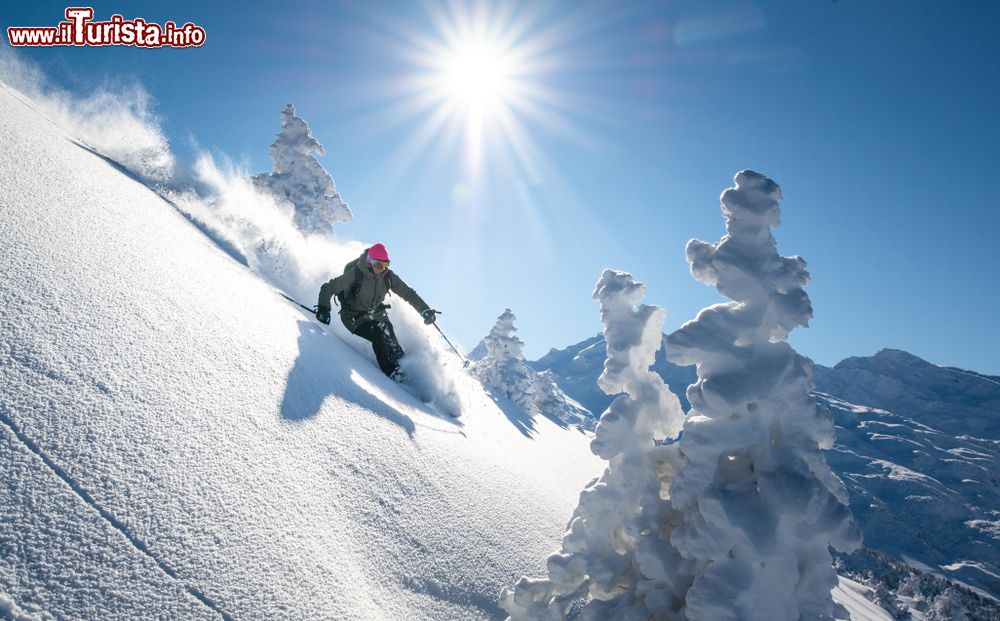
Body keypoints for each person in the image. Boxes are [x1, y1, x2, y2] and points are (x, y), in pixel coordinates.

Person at [315, 243, 437, 379]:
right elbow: (328, 288)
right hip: (354, 317)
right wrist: (323, 308)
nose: (383, 269)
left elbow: (408, 293)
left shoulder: (388, 277)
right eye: (379, 266)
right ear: (369, 262)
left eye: (386, 265)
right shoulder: (355, 274)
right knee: (379, 336)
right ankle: (392, 373)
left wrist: (424, 309)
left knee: (390, 336)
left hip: (376, 313)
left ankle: (405, 368)